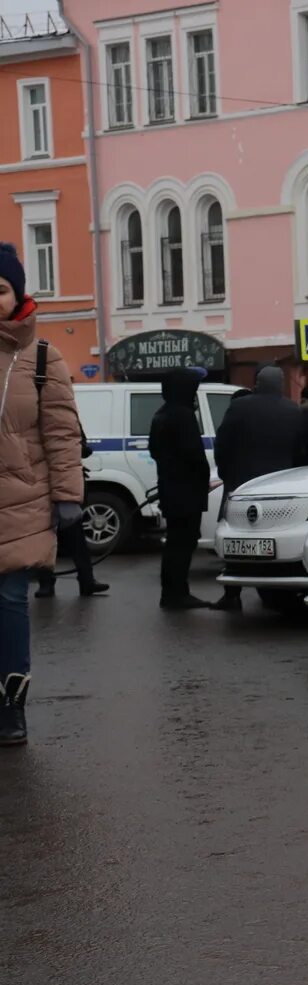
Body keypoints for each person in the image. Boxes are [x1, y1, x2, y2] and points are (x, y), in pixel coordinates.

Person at [0, 241, 83, 745]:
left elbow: (60, 433)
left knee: (10, 600)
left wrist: (67, 496)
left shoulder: (42, 358)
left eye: (1, 289)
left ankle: (12, 705)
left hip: (22, 499)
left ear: (17, 294)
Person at [212, 364, 304, 612]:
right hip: (281, 485)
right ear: (281, 383)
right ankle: (275, 589)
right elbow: (300, 449)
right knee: (274, 537)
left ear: (257, 383)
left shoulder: (240, 406)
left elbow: (223, 442)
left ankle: (231, 594)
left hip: (241, 483)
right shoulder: (292, 409)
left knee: (236, 540)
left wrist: (225, 471)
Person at [148, 368, 213, 611]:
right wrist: (201, 479)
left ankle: (173, 592)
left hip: (171, 489)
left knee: (175, 543)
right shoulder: (182, 416)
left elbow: (154, 450)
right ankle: (177, 594)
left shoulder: (161, 414)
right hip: (186, 491)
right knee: (183, 544)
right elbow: (194, 455)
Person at [35, 416, 107, 598]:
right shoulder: (41, 415)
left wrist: (81, 448)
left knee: (73, 534)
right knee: (48, 535)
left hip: (63, 481)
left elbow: (80, 443)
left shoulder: (68, 417)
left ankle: (84, 580)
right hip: (43, 482)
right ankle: (49, 581)